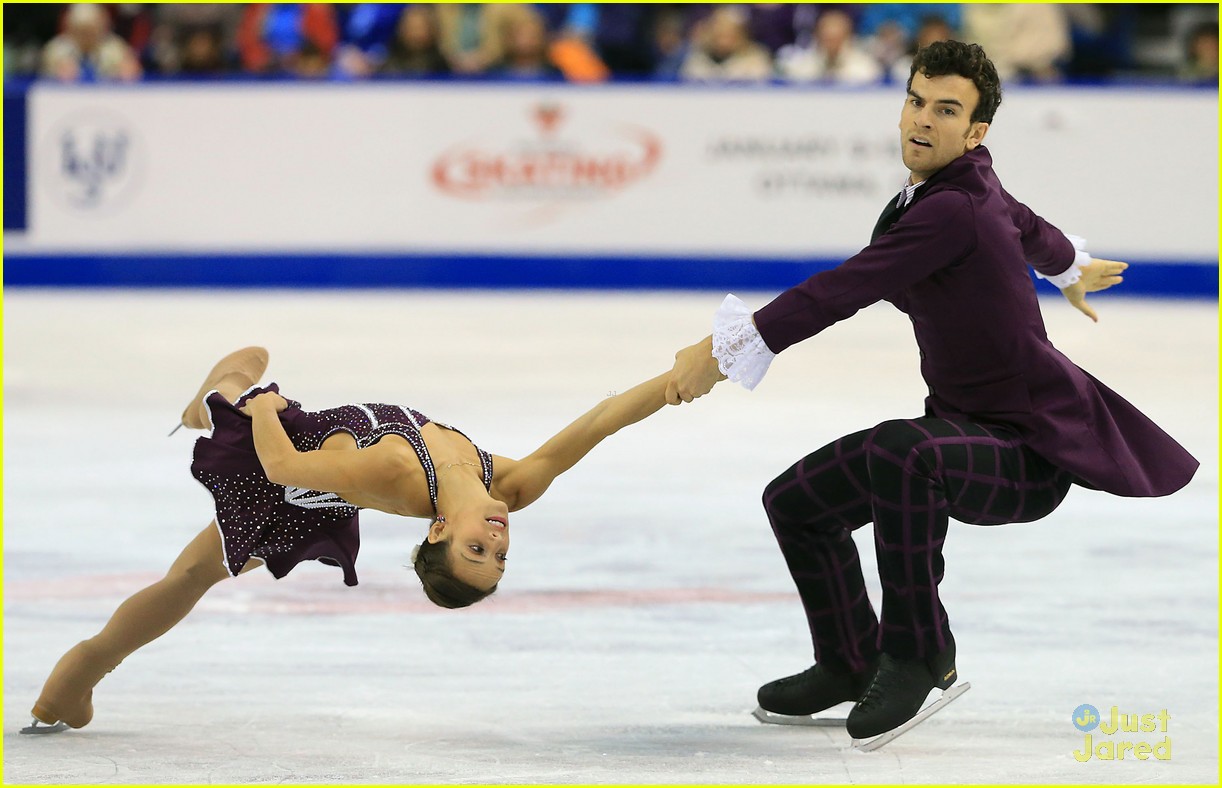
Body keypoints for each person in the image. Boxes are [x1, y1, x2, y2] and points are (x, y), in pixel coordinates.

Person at [666, 40, 1198, 741]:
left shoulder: (952, 210)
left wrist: (729, 350)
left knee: (902, 453)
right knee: (796, 504)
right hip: (961, 430)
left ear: (975, 132)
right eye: (916, 101)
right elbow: (1028, 224)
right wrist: (1071, 265)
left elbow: (842, 290)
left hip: (1024, 454)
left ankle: (918, 651)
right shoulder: (970, 187)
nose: (922, 120)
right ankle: (849, 660)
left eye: (946, 111)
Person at [26, 346, 676, 733]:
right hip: (318, 474)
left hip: (282, 466)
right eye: (499, 557)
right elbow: (601, 420)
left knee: (245, 374)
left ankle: (78, 675)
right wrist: (689, 374)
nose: (497, 542)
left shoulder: (396, 473)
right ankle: (73, 686)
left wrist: (255, 408)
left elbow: (280, 467)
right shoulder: (511, 482)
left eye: (476, 551)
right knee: (192, 572)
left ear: (440, 529)